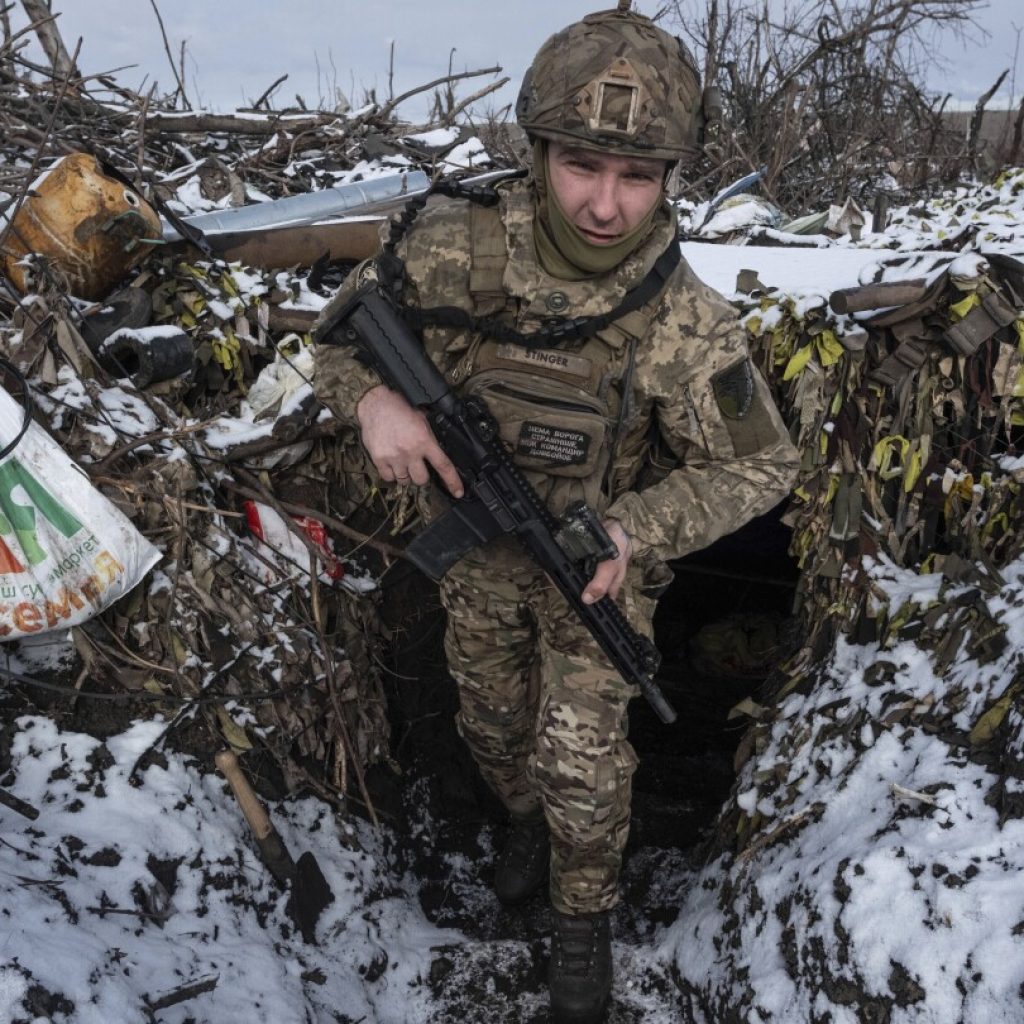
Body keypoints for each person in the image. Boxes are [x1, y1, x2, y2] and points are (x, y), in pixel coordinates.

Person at [313, 4, 800, 1020]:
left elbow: (760, 469)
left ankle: (582, 927)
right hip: (476, 555)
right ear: (536, 151)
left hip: (595, 567)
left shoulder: (683, 318)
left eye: (639, 176)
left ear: (672, 177)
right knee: (490, 720)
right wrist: (372, 403)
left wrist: (637, 532)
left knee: (584, 757)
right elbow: (337, 332)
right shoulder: (453, 247)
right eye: (582, 165)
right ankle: (519, 823)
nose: (606, 205)